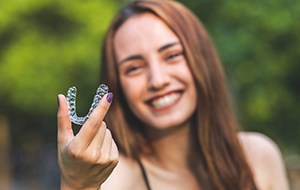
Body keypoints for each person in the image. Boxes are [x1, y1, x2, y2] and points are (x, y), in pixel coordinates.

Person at [57, 0, 290, 189]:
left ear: (202, 59)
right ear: (116, 86)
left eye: (172, 55)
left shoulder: (258, 157)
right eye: (134, 68)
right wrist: (77, 186)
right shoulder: (112, 179)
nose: (158, 80)